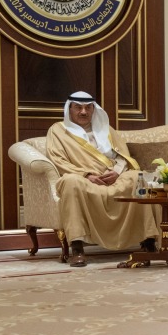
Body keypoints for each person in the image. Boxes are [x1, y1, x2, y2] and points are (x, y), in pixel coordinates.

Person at [46, 91, 159, 267]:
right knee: (70, 182)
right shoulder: (58, 131)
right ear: (70, 109)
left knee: (137, 178)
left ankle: (148, 241)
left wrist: (117, 172)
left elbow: (123, 156)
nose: (83, 112)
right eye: (78, 107)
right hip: (83, 178)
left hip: (112, 177)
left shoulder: (107, 129)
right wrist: (87, 175)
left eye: (88, 108)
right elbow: (58, 160)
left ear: (94, 109)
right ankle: (77, 247)